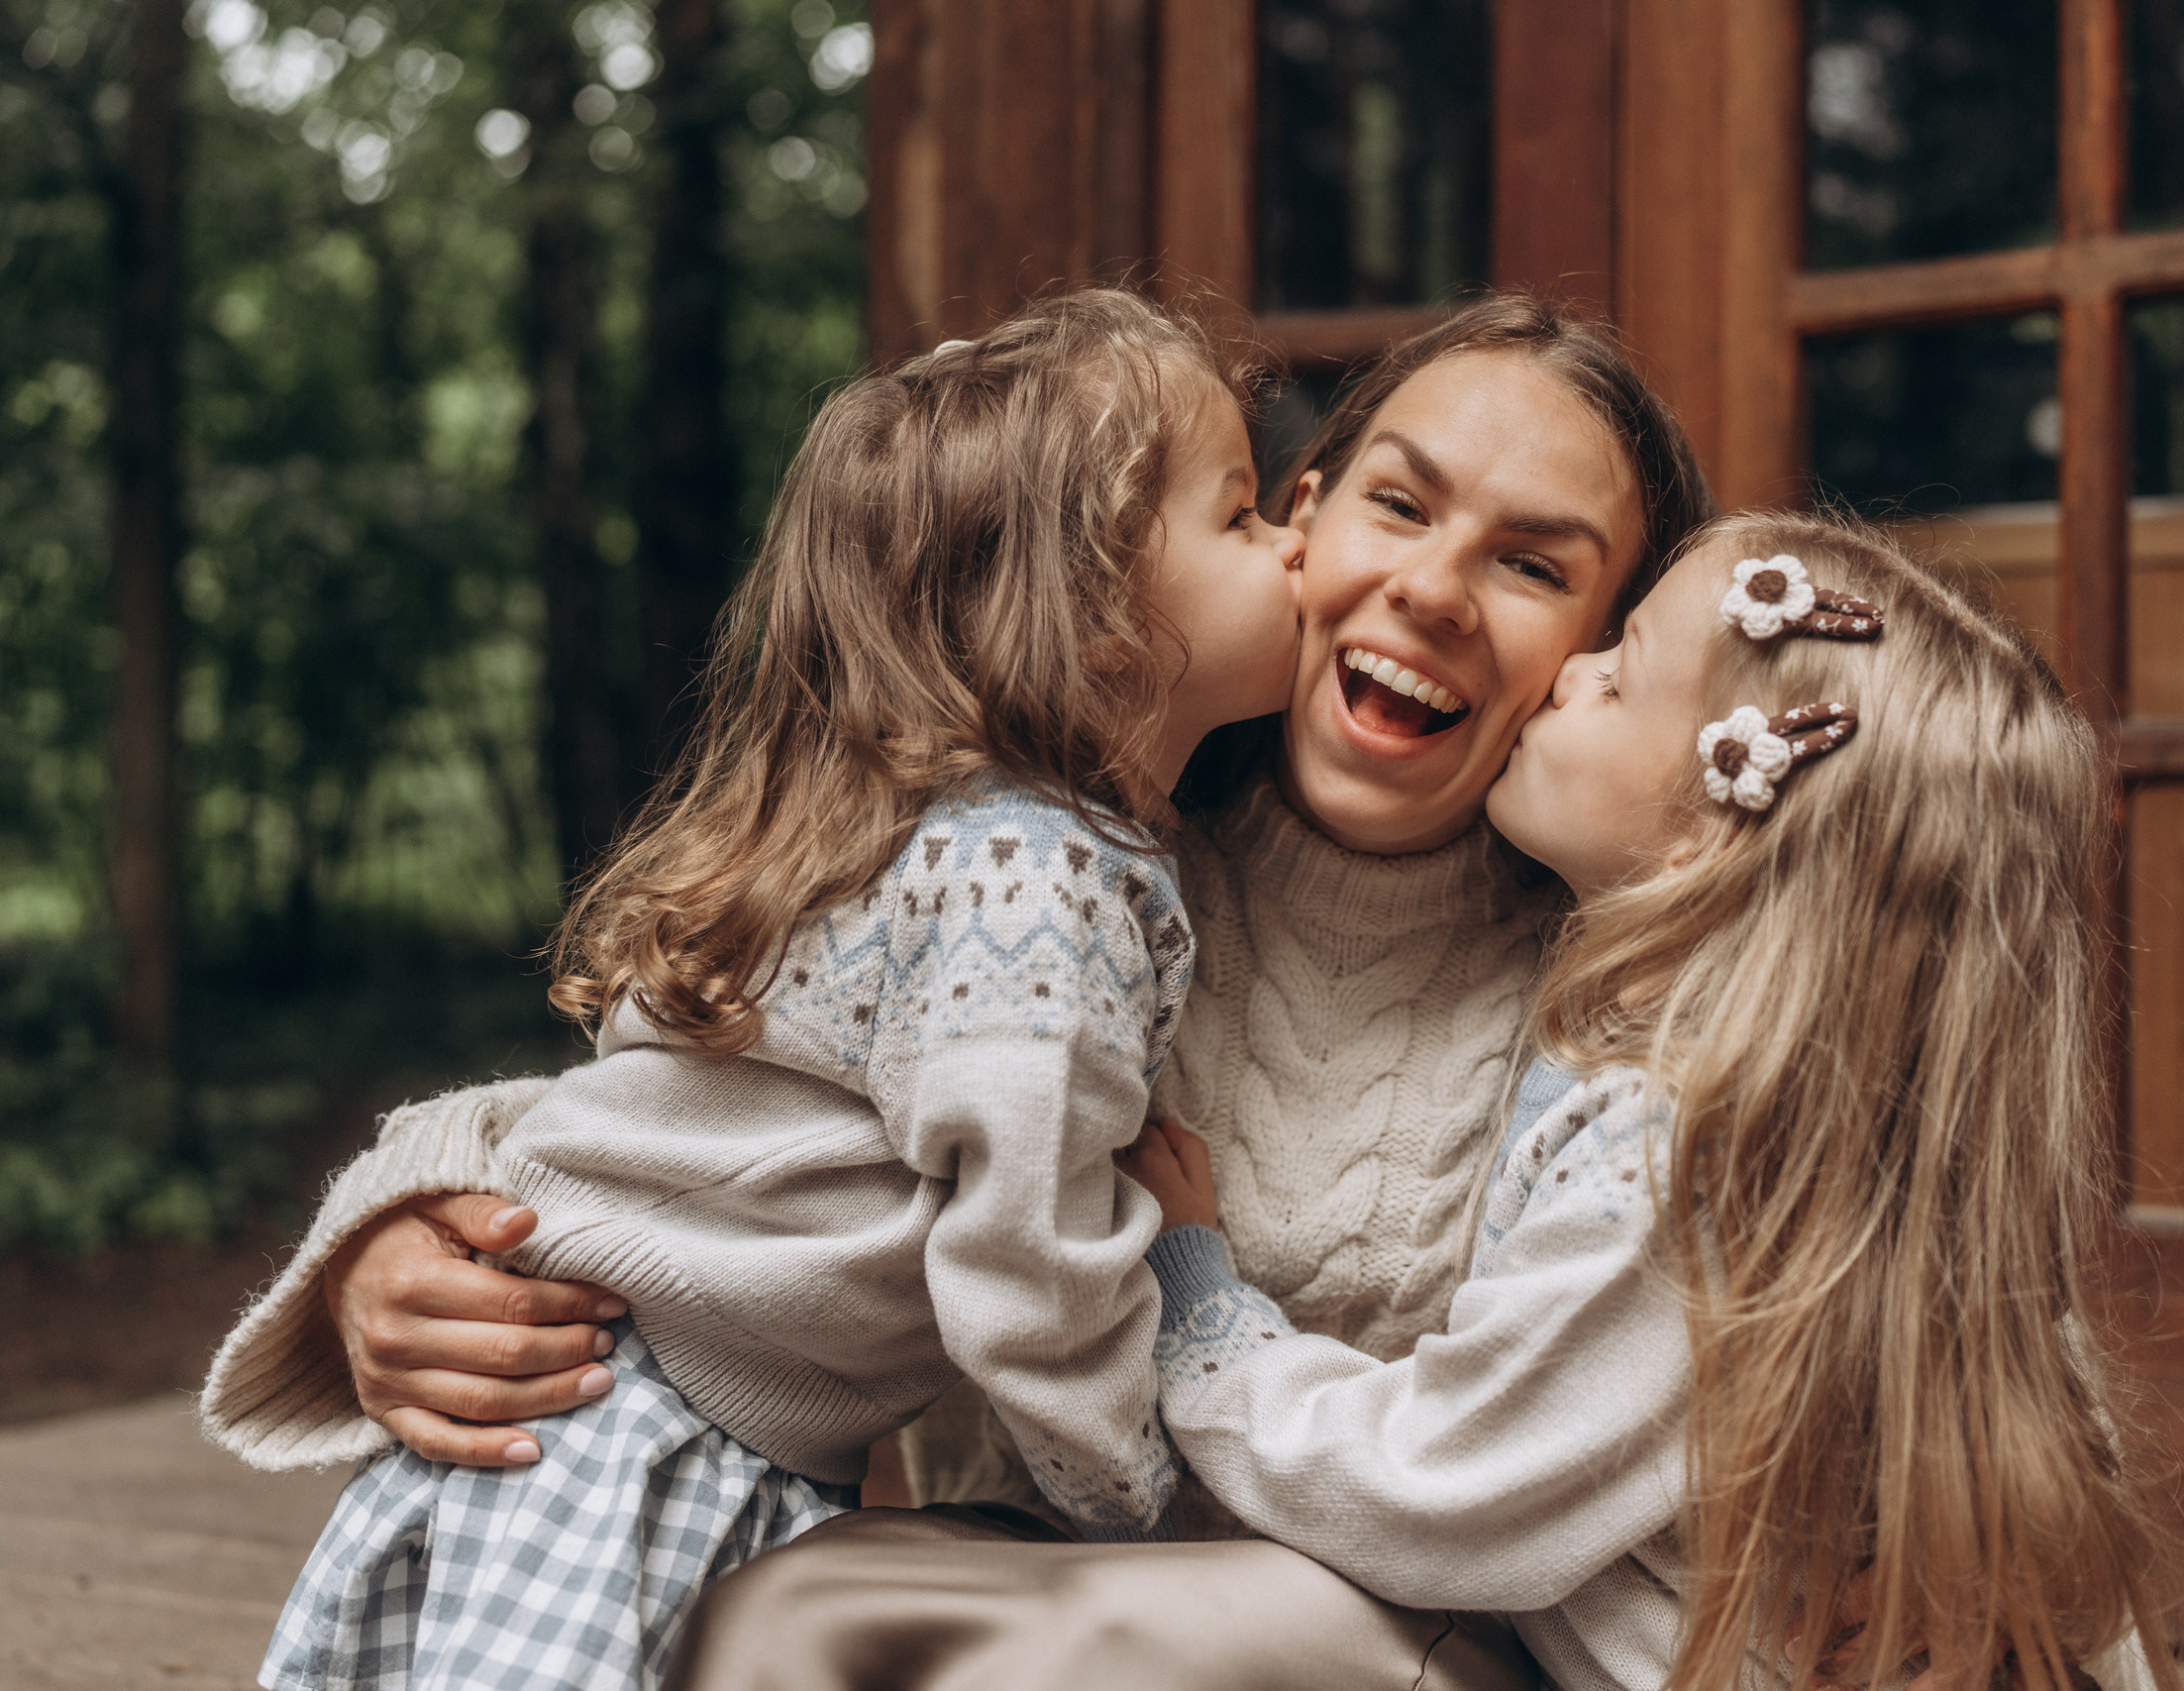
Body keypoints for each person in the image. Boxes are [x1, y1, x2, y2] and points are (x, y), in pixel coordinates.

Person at [200, 293, 1716, 1687]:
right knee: (807, 1608)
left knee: (807, 1614)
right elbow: (725, 1087)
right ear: (1304, 525)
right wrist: (408, 1225)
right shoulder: (1078, 854)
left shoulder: (1610, 1008)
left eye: (1535, 564)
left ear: (1607, 656)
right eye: (1400, 500)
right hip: (1011, 1600)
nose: (1439, 588)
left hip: (1374, 1635)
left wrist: (1190, 1324)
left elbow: (1506, 1475)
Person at [242, 287, 1307, 1691]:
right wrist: (1130, 1491)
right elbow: (1025, 1257)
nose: (1297, 541)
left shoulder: (921, 831)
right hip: (634, 1444)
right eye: (1240, 515)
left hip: (606, 1428)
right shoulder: (1044, 878)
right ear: (1100, 608)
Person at [1100, 511, 2184, 1691]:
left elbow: (1451, 1486)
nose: (1565, 673)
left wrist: (1205, 1317)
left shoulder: (1682, 1147)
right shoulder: (1832, 1121)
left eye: (1617, 679)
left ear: (1704, 840)